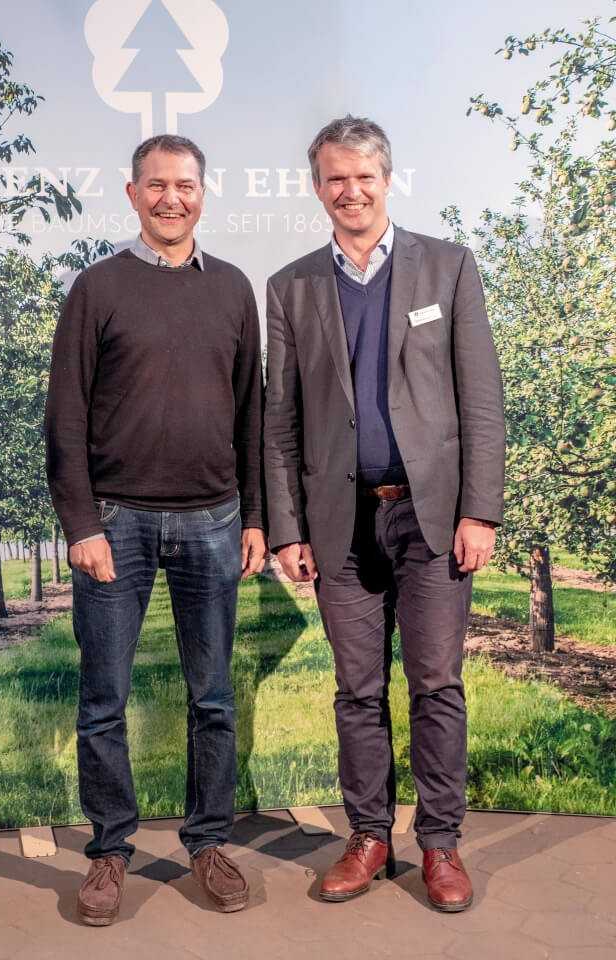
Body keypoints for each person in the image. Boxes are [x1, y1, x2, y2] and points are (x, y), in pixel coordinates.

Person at [263, 115, 505, 911]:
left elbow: (482, 399)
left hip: (433, 518)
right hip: (340, 523)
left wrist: (481, 511)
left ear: (387, 180)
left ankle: (439, 845)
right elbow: (281, 421)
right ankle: (369, 837)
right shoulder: (291, 286)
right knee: (356, 690)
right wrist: (289, 528)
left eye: (363, 176)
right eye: (335, 177)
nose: (351, 190)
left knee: (436, 684)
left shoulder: (448, 266)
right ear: (317, 187)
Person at [45, 134, 266, 923]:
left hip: (215, 519)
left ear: (203, 193)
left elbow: (252, 412)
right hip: (117, 523)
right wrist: (81, 522)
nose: (173, 198)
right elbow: (65, 415)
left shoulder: (233, 288)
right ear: (132, 193)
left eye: (186, 185)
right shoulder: (97, 287)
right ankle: (110, 850)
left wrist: (257, 517)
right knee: (104, 698)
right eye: (157, 185)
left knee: (214, 698)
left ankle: (208, 842)